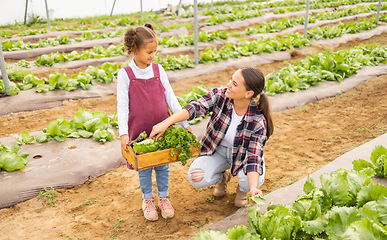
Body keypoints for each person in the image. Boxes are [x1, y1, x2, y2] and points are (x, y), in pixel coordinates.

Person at [150, 67, 273, 207]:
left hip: (242, 157)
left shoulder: (257, 121)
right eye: (231, 80)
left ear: (248, 93)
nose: (229, 85)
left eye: (235, 84)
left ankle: (242, 190)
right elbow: (195, 107)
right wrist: (166, 123)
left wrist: (252, 188)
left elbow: (253, 157)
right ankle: (222, 177)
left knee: (248, 181)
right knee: (196, 177)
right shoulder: (221, 96)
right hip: (218, 152)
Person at [117, 23, 191, 221]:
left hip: (162, 126)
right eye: (149, 52)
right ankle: (147, 199)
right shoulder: (126, 74)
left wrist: (185, 124)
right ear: (135, 50)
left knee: (162, 164)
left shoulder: (158, 70)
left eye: (155, 52)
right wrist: (123, 133)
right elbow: (122, 106)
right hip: (139, 130)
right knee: (144, 165)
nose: (152, 56)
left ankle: (163, 197)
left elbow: (171, 99)